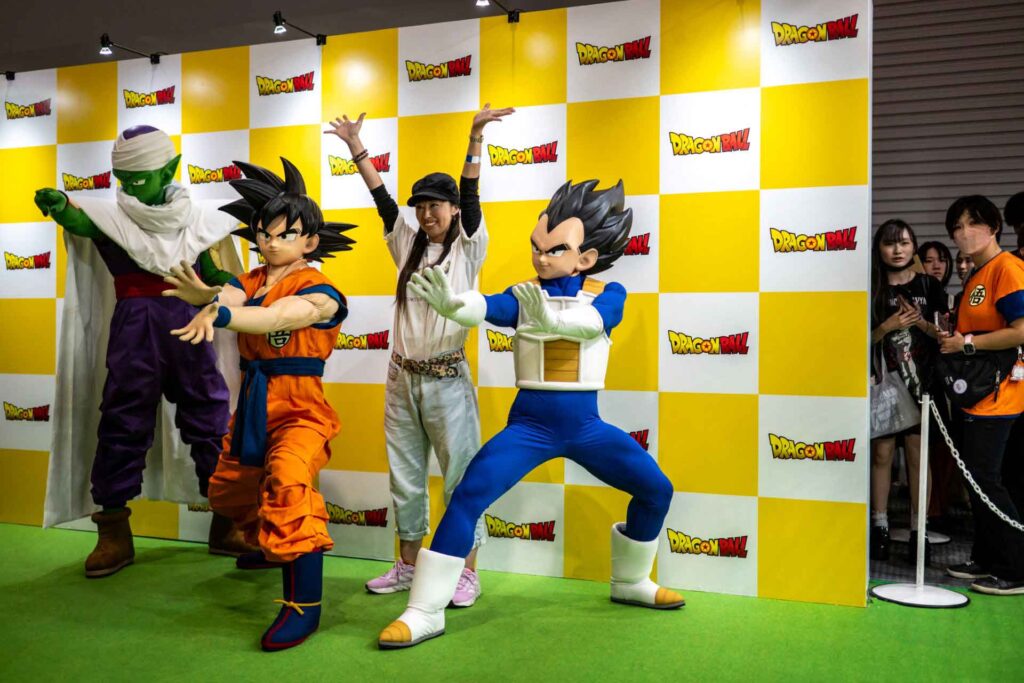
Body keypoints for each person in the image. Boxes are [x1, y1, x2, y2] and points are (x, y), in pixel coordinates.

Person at [376, 179, 682, 650]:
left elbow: (597, 322)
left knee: (656, 489)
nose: (541, 258)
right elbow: (488, 305)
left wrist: (552, 321)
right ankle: (424, 610)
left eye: (555, 249)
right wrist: (455, 305)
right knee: (467, 496)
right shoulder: (524, 295)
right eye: (536, 247)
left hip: (586, 427)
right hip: (530, 427)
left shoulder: (607, 291)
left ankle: (631, 581)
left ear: (586, 257)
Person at [33, 125, 251, 577]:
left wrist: (244, 289)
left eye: (139, 177)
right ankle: (113, 531)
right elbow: (81, 220)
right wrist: (61, 207)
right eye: (122, 178)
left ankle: (227, 520)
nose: (129, 187)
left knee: (211, 422)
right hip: (134, 333)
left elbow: (214, 273)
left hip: (191, 330)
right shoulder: (112, 218)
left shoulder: (198, 221)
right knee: (121, 423)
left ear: (169, 170)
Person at [324, 104, 513, 606]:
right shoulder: (406, 244)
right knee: (406, 478)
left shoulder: (469, 246)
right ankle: (407, 566)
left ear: (453, 210)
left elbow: (471, 193)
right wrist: (355, 147)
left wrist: (474, 138)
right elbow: (382, 200)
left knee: (460, 479)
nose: (427, 214)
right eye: (422, 206)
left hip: (447, 379)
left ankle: (465, 572)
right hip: (401, 378)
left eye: (437, 206)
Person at [167, 157, 356, 647]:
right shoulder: (249, 279)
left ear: (309, 241)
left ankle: (304, 606)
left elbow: (276, 318)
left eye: (285, 234)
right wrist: (210, 299)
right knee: (231, 489)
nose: (272, 242)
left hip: (300, 409)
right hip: (254, 404)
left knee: (290, 485)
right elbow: (231, 297)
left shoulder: (322, 291)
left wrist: (219, 314)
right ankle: (272, 545)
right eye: (264, 234)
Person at [939, 195, 1024, 596]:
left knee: (988, 480)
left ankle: (1014, 568)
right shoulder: (977, 273)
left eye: (973, 223)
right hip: (975, 393)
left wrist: (967, 343)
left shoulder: (1007, 268)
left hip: (999, 394)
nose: (964, 233)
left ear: (993, 227)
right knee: (976, 479)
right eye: (957, 227)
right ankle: (987, 556)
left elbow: (1021, 329)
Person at [869, 219, 946, 563]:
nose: (897, 250)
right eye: (889, 243)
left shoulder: (930, 286)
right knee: (882, 455)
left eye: (903, 243)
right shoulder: (870, 287)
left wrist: (921, 323)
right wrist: (886, 326)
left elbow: (946, 337)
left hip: (923, 385)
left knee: (918, 457)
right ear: (879, 249)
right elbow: (855, 340)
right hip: (882, 385)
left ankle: (919, 532)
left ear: (913, 246)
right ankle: (880, 528)